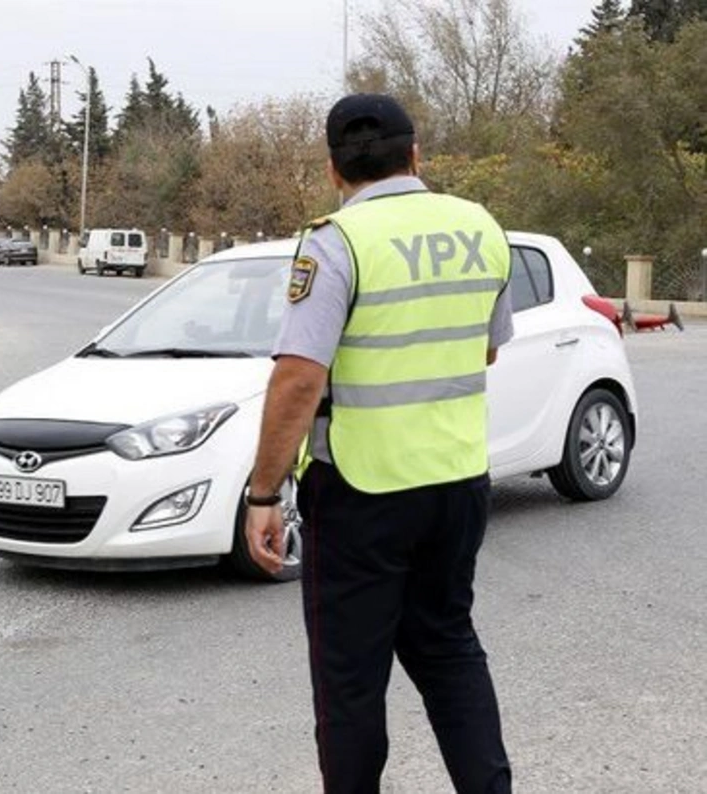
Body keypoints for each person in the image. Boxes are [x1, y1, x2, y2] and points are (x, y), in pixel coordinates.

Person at [244, 93, 514, 793]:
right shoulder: (479, 227)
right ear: (415, 155)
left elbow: (299, 381)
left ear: (334, 170)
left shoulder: (336, 243)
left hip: (362, 492)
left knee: (351, 683)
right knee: (451, 651)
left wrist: (263, 493)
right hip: (457, 483)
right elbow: (485, 350)